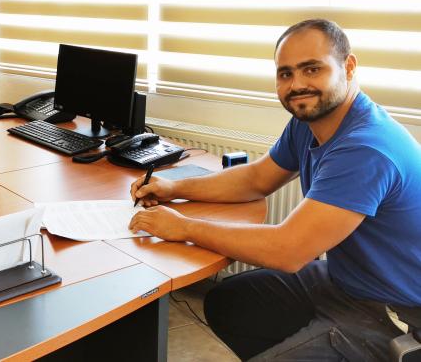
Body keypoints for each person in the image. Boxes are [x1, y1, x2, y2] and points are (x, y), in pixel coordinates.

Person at [129, 19, 421, 360]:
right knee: (229, 302)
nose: (297, 85)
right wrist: (174, 188)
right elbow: (256, 179)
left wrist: (184, 227)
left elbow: (288, 250)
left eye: (312, 69)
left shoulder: (364, 148)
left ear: (348, 66)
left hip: (397, 314)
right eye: (285, 74)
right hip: (349, 281)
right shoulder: (309, 122)